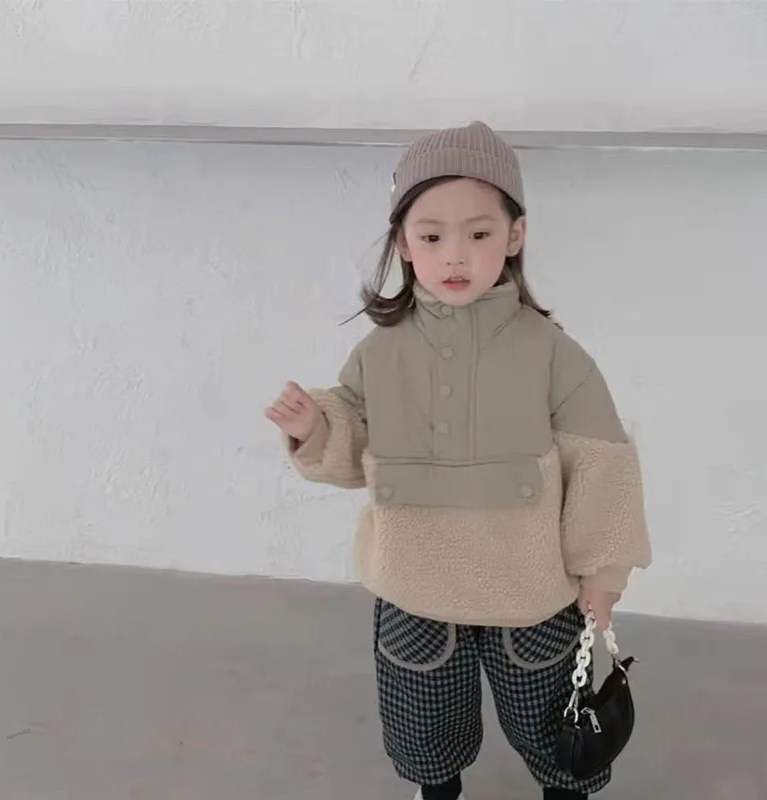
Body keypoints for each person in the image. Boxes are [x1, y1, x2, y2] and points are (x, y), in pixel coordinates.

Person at [265, 121, 652, 800]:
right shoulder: (379, 353)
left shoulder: (553, 353)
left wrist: (604, 572)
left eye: (478, 233)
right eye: (431, 236)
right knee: (421, 719)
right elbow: (353, 444)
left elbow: (603, 466)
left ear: (515, 236)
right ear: (403, 244)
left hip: (531, 591)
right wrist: (316, 427)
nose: (455, 256)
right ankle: (437, 791)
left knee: (551, 719)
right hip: (414, 584)